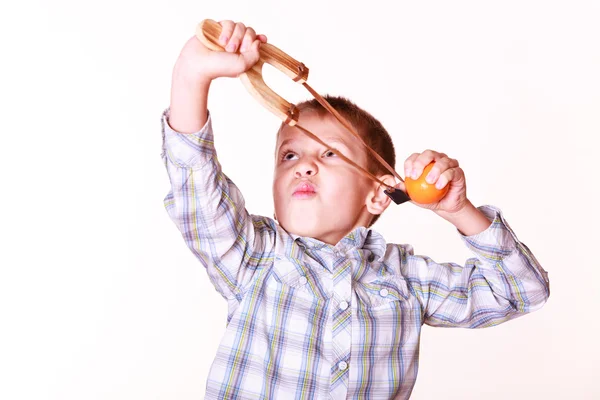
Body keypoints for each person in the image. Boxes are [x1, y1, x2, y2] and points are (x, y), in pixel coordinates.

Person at [161, 20, 550, 400]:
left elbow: (522, 291)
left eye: (329, 153)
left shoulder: (407, 280)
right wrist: (192, 74)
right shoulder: (255, 256)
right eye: (289, 155)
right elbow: (196, 187)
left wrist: (458, 209)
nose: (304, 165)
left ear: (379, 194)